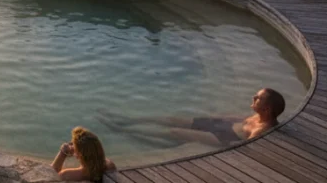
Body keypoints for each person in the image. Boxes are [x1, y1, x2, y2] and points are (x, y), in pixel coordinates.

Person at [99, 88, 285, 148]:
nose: (253, 98)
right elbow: (237, 118)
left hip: (224, 138)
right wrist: (214, 118)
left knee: (173, 132)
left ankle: (123, 130)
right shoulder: (258, 115)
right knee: (172, 119)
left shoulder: (262, 130)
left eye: (258, 98)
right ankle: (127, 120)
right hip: (223, 125)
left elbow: (242, 149)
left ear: (267, 109)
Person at [52, 127, 116, 182]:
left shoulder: (67, 175)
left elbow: (51, 174)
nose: (71, 144)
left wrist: (62, 153)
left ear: (79, 154)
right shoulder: (110, 165)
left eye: (73, 144)